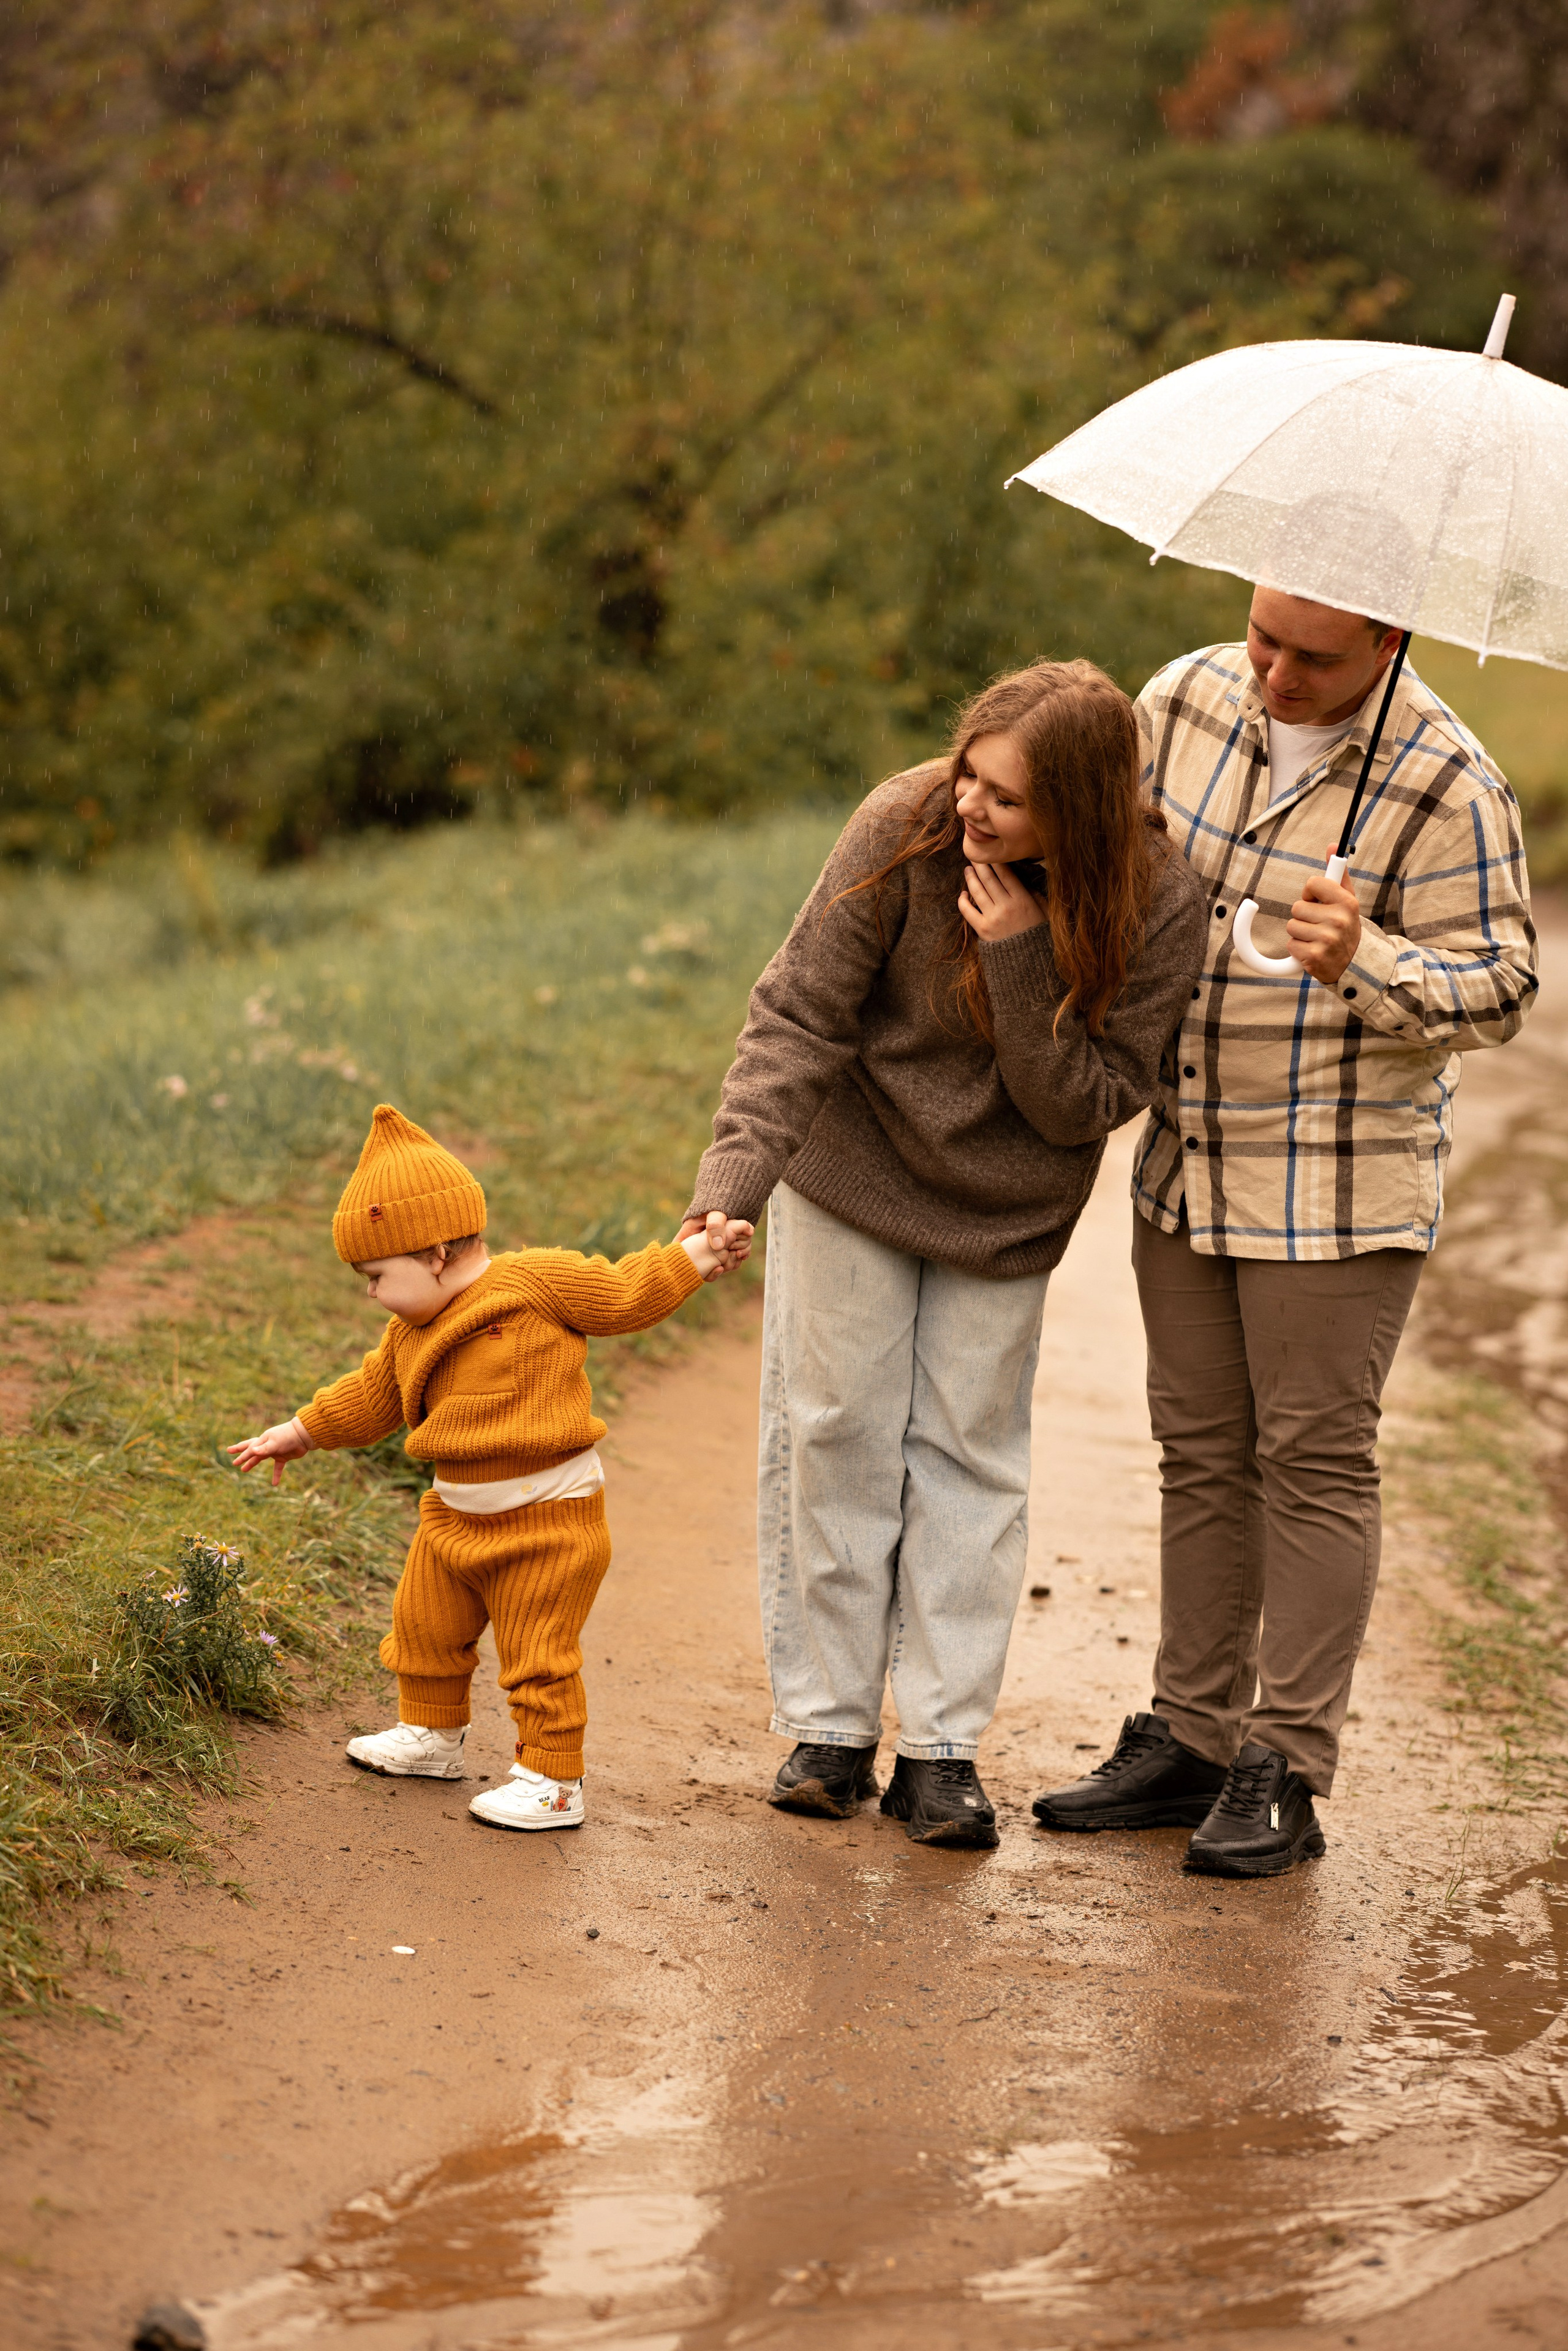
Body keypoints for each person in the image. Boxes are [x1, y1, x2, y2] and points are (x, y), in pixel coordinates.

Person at [1033, 589, 1537, 1877]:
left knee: (1312, 1458)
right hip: (1185, 1156)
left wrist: (1367, 957)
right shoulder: (1183, 698)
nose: (1273, 672)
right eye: (1263, 637)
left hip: (1336, 1179)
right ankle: (1190, 1736)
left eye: (1311, 656)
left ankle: (1284, 1763)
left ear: (1389, 643)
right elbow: (1113, 858)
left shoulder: (1445, 781)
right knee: (1199, 1450)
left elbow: (1499, 982)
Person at [679, 659, 1208, 1847]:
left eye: (1004, 797)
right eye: (968, 772)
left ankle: (938, 1748)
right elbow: (798, 1011)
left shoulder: (1159, 900)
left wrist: (1022, 954)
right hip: (849, 1172)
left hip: (1004, 1211)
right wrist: (731, 1186)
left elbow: (1085, 1103)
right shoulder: (904, 824)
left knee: (968, 1463)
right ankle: (824, 1725)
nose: (968, 805)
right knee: (832, 1433)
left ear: (1075, 810)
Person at [228, 1103, 752, 1830]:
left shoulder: (533, 1281)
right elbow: (371, 1394)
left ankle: (553, 1779)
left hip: (548, 1521)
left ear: (435, 1251)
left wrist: (693, 1256)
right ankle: (432, 1736)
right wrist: (300, 1431)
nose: (370, 1291)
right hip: (454, 1516)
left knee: (538, 1655)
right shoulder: (407, 1333)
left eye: (376, 1274)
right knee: (423, 1628)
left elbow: (627, 1291)